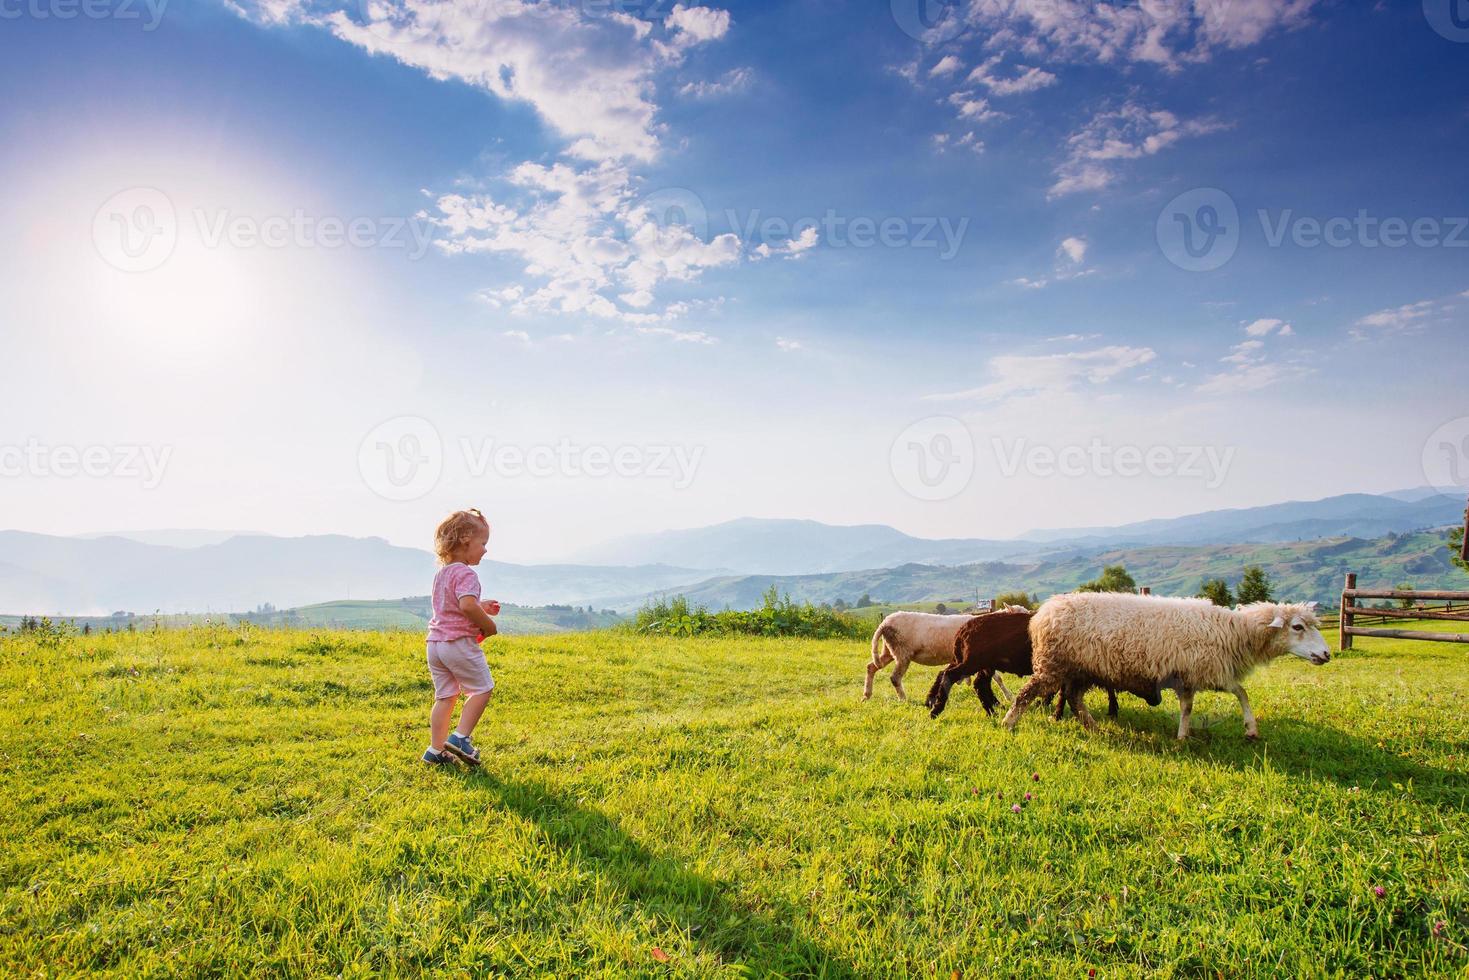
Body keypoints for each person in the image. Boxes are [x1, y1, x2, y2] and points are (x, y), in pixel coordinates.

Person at [423, 508, 500, 766]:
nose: (485, 550)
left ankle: (435, 751)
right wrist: (488, 625)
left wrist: (482, 605)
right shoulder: (467, 573)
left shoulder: (442, 574)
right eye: (483, 543)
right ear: (466, 541)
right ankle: (460, 738)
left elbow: (454, 605)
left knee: (445, 696)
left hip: (435, 644)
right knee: (482, 689)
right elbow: (466, 606)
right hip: (457, 643)